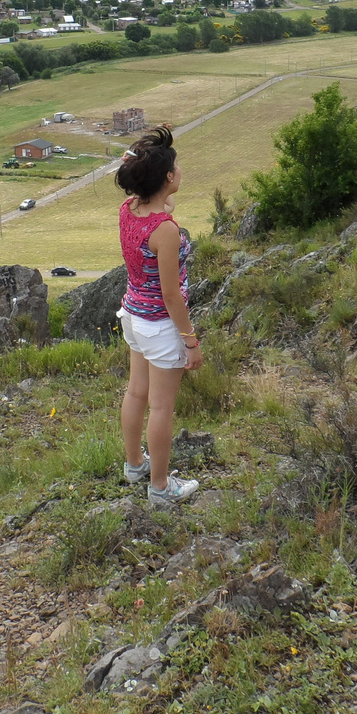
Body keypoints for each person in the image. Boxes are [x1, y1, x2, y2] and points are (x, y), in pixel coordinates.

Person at [114, 125, 203, 508]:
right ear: (167, 177)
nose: (181, 170)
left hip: (133, 314)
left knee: (136, 391)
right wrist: (191, 340)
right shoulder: (165, 231)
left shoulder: (129, 209)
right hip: (162, 326)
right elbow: (170, 294)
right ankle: (161, 487)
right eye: (176, 167)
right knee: (162, 407)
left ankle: (135, 465)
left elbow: (157, 208)